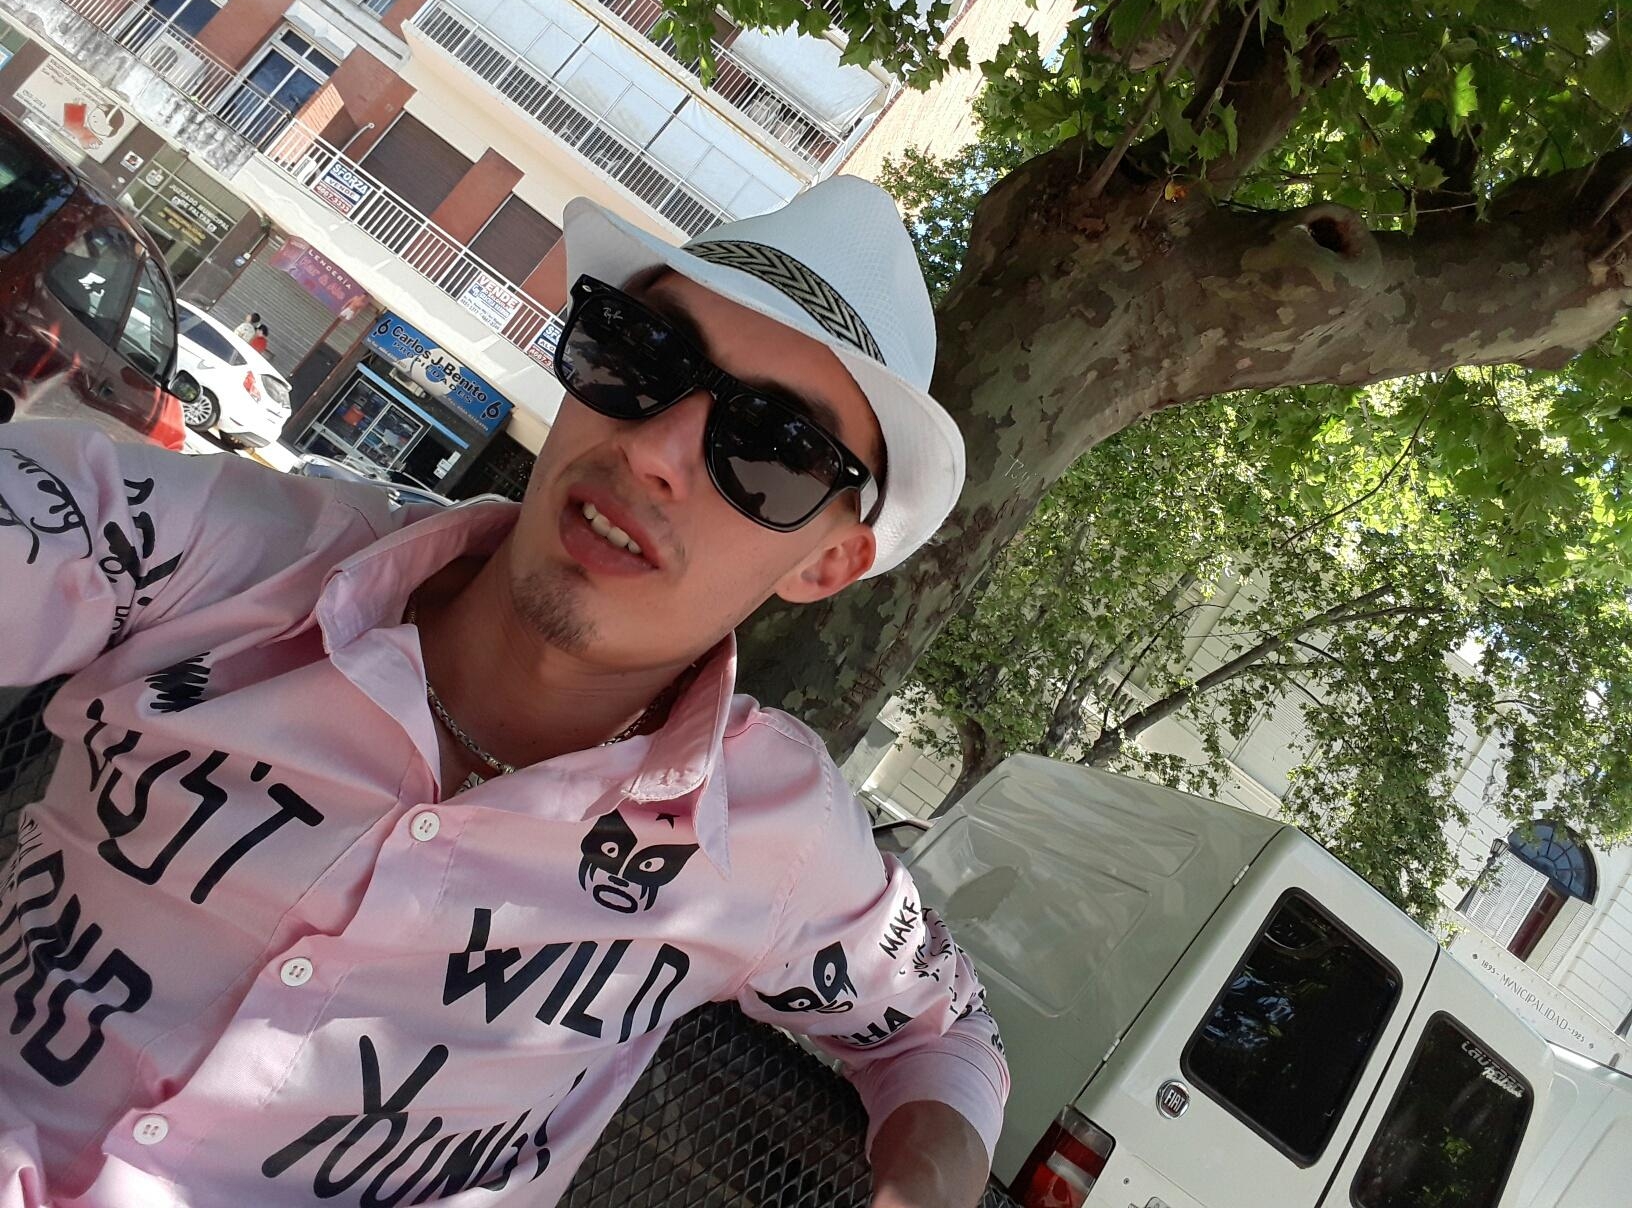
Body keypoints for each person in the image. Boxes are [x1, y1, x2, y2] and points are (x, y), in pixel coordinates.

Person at [0, 176, 1006, 1207]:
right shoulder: (234, 557)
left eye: (774, 449)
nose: (652, 452)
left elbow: (945, 1032)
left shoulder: (778, 836)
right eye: (640, 354)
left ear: (828, 564)